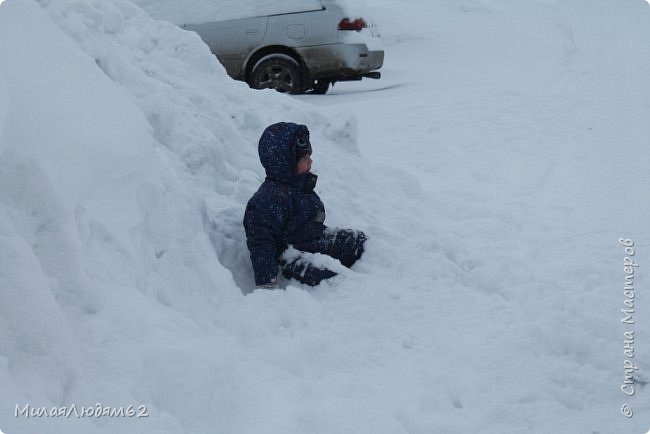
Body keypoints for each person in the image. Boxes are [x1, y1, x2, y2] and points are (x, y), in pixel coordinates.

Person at [243, 122, 367, 289]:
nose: (311, 161)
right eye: (304, 158)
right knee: (333, 281)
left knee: (356, 241)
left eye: (309, 155)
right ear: (286, 162)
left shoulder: (299, 185)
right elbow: (261, 242)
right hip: (293, 257)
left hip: (314, 241)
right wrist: (266, 281)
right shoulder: (268, 199)